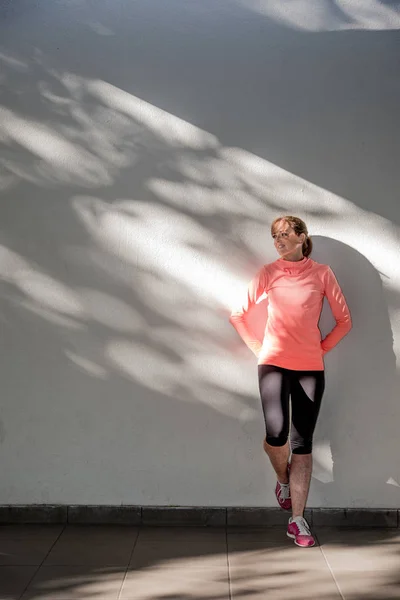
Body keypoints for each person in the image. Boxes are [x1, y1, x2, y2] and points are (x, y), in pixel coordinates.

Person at [229, 216, 352, 547]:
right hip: (273, 364)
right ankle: (282, 478)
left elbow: (344, 320)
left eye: (284, 234)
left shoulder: (322, 273)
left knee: (302, 443)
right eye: (274, 236)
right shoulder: (268, 273)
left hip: (310, 368)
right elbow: (237, 315)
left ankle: (297, 520)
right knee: (276, 433)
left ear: (302, 237)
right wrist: (259, 349)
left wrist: (319, 349)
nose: (278, 240)